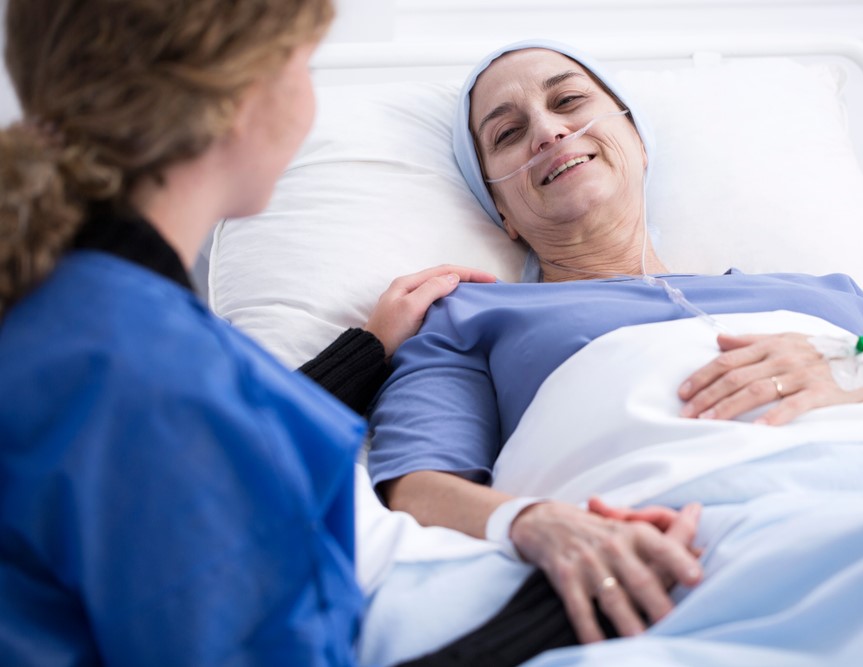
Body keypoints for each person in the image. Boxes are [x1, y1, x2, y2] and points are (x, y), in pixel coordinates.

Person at [365, 39, 863, 664]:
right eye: (507, 134)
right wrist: (537, 523)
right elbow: (417, 488)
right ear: (501, 209)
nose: (550, 132)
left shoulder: (825, 297)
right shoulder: (472, 317)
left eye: (569, 101)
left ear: (637, 141)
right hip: (697, 537)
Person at [0, 1, 494, 664]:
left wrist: (368, 350)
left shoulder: (70, 308)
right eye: (304, 64)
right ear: (240, 97)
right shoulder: (158, 376)